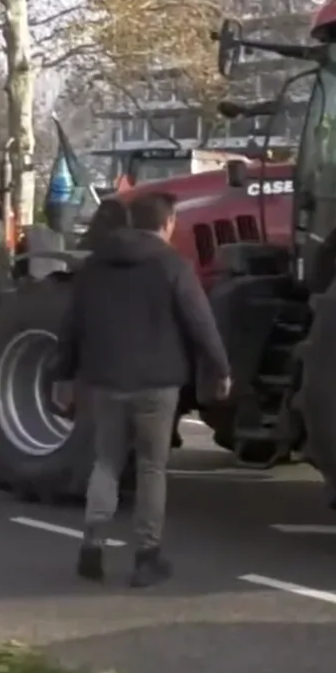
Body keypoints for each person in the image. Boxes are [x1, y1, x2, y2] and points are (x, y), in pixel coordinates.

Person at [53, 191, 232, 587]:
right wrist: (219, 368)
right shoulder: (173, 266)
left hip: (104, 381)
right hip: (157, 384)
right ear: (168, 224)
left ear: (131, 222)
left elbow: (72, 326)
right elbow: (200, 323)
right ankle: (146, 557)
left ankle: (91, 547)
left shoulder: (95, 266)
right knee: (152, 467)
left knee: (106, 463)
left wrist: (62, 376)